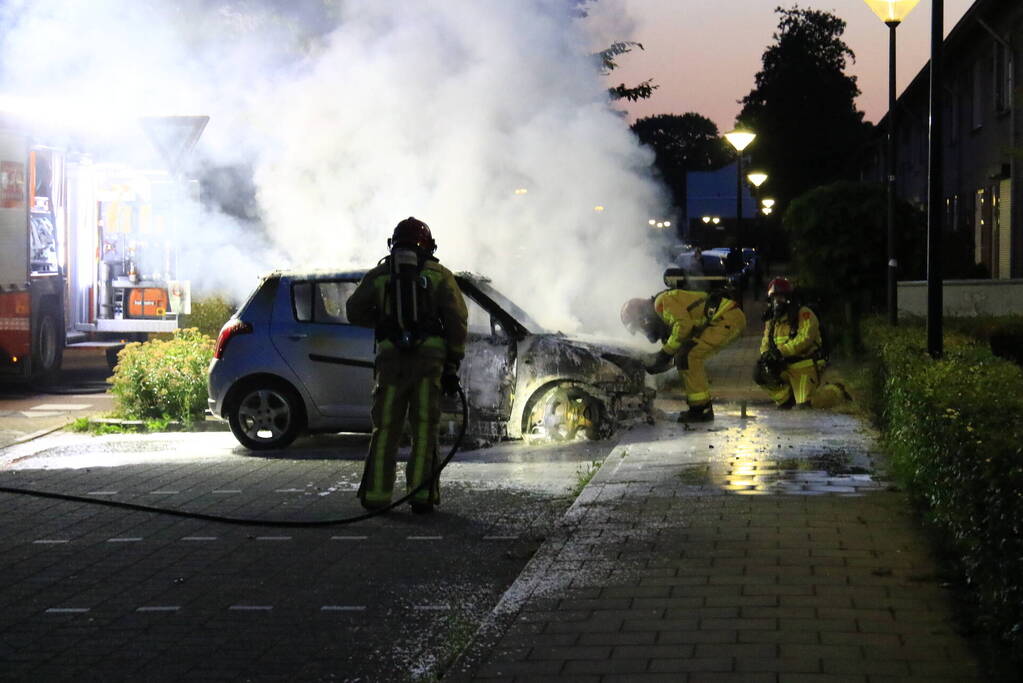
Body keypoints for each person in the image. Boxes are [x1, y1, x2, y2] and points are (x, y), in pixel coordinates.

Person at [346, 217, 468, 514]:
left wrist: (382, 321)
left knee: (385, 428)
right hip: (429, 364)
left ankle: (376, 496)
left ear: (394, 243)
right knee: (424, 428)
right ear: (429, 246)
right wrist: (453, 362)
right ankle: (422, 497)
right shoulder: (440, 276)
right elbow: (457, 320)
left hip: (391, 364)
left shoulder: (380, 275)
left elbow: (353, 311)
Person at [621, 277, 746, 422]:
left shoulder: (661, 302)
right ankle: (701, 408)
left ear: (643, 317)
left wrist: (664, 354)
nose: (644, 331)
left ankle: (701, 410)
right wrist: (660, 362)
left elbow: (683, 326)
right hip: (725, 319)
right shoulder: (662, 317)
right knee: (685, 356)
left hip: (727, 318)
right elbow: (678, 346)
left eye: (640, 326)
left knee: (690, 355)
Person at [754, 277, 846, 409]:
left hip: (804, 366)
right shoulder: (772, 321)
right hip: (784, 366)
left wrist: (780, 352)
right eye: (774, 298)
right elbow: (765, 342)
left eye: (780, 297)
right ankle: (787, 400)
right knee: (760, 373)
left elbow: (805, 338)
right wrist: (766, 355)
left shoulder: (804, 314)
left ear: (789, 298)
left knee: (807, 406)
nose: (777, 302)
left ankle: (837, 392)